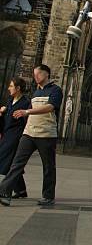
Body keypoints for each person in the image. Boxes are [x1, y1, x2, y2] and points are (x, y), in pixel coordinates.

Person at [0, 65, 63, 207]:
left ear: (46, 74)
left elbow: (50, 107)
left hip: (46, 134)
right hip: (29, 133)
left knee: (48, 167)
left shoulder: (56, 90)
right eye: (34, 74)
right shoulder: (35, 93)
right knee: (17, 163)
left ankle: (48, 197)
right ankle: (4, 192)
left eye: (38, 74)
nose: (36, 77)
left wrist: (27, 112)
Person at [0, 78, 31, 198]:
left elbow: (26, 122)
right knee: (13, 163)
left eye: (11, 86)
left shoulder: (25, 103)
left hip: (15, 137)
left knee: (6, 161)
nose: (9, 88)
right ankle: (21, 190)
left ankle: (4, 189)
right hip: (6, 135)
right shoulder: (10, 101)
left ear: (18, 88)